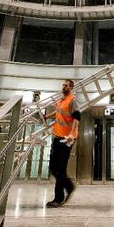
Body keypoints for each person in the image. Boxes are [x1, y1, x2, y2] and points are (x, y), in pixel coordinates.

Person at [45, 79, 80, 208]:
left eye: (66, 85)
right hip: (57, 137)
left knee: (60, 169)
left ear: (71, 87)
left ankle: (58, 199)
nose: (63, 87)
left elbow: (77, 117)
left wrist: (72, 134)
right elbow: (59, 112)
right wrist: (47, 117)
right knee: (53, 168)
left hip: (67, 139)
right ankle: (69, 186)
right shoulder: (61, 101)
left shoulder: (73, 100)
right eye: (63, 85)